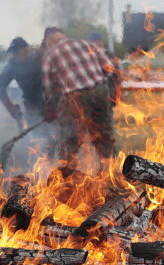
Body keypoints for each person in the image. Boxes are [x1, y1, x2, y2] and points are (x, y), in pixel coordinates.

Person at [41, 27, 115, 166]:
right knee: (104, 135)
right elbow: (109, 68)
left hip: (74, 98)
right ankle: (111, 172)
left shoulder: (50, 54)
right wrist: (98, 83)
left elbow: (48, 87)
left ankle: (69, 174)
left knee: (70, 139)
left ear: (49, 39)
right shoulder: (87, 44)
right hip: (99, 92)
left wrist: (50, 106)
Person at [0, 37, 45, 131]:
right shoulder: (13, 65)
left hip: (51, 103)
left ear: (25, 50)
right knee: (35, 138)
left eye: (16, 52)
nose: (14, 55)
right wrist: (11, 107)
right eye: (13, 53)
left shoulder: (41, 57)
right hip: (32, 107)